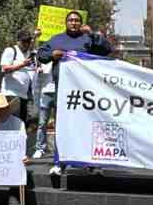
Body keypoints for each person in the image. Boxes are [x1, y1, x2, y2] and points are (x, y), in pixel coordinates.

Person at [36, 11, 114, 175]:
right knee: (63, 126)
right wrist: (52, 55)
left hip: (85, 92)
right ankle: (59, 162)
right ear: (66, 23)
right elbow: (41, 54)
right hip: (63, 91)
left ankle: (92, 164)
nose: (74, 23)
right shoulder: (57, 39)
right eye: (71, 20)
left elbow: (107, 49)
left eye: (77, 20)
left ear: (81, 23)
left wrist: (92, 34)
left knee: (87, 125)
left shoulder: (88, 38)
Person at [0, 29, 38, 126]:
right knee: (12, 125)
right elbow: (5, 69)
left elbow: (34, 47)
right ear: (18, 41)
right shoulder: (11, 51)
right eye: (24, 41)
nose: (26, 44)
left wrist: (36, 36)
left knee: (21, 125)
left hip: (23, 95)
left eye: (28, 41)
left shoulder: (28, 53)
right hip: (11, 94)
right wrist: (22, 65)